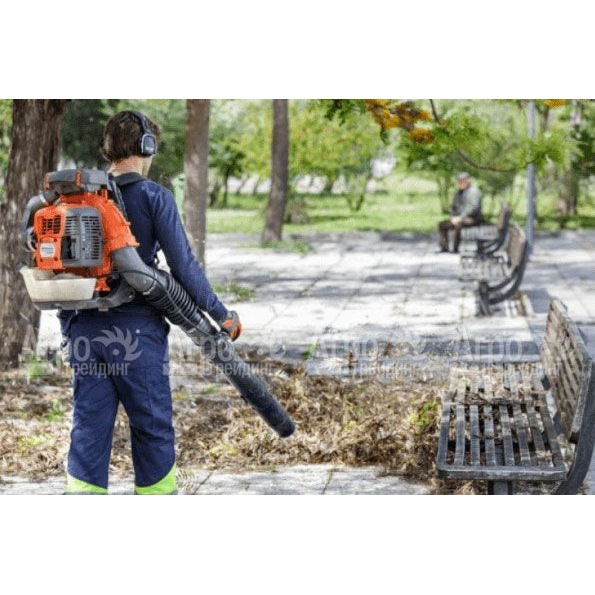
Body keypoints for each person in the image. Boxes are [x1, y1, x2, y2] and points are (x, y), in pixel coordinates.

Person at [60, 110, 242, 495]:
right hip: (136, 334)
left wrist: (69, 329)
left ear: (108, 147)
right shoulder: (153, 196)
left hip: (84, 329)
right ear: (147, 146)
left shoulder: (79, 199)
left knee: (88, 428)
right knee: (152, 427)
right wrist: (221, 315)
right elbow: (184, 267)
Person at [437, 172, 482, 253]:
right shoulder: (458, 192)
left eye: (462, 181)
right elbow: (453, 207)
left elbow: (473, 208)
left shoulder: (474, 191)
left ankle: (455, 248)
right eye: (459, 181)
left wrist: (461, 217)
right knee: (442, 224)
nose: (460, 183)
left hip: (472, 218)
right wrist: (452, 217)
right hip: (458, 218)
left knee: (458, 224)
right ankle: (444, 247)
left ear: (467, 181)